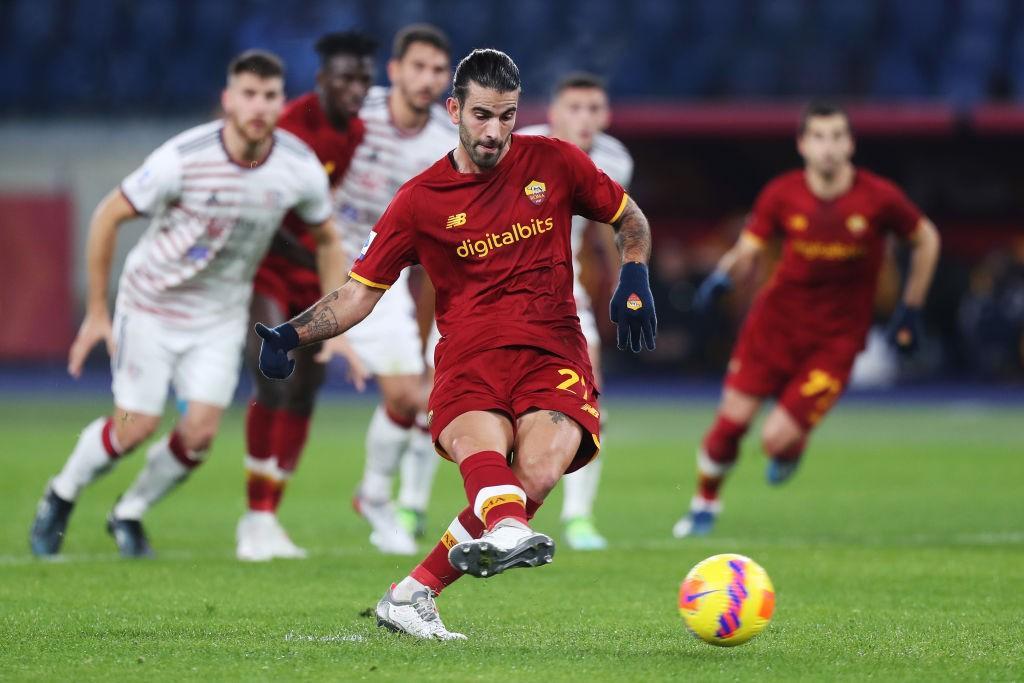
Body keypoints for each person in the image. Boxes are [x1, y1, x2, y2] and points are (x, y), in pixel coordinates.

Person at [253, 48, 656, 639]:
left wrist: (636, 274)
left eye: (507, 116)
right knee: (489, 464)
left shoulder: (557, 162)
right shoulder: (419, 201)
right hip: (469, 359)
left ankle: (411, 595)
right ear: (454, 110)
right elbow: (359, 293)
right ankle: (501, 532)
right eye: (482, 116)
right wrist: (291, 333)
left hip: (554, 351)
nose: (495, 132)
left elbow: (629, 219)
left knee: (539, 474)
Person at [29, 50, 342, 558]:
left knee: (198, 436)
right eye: (248, 94)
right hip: (151, 307)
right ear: (228, 100)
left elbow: (328, 238)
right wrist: (97, 312)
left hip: (218, 316)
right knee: (135, 426)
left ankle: (128, 512)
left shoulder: (297, 167)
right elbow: (108, 214)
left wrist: (332, 322)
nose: (259, 106)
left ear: (281, 102)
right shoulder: (184, 157)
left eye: (269, 96)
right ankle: (61, 493)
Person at [673, 102, 941, 538]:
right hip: (774, 325)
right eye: (819, 137)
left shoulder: (878, 198)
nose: (829, 147)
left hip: (836, 340)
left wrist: (911, 308)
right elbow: (750, 247)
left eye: (837, 137)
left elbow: (927, 237)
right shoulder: (782, 194)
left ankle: (790, 448)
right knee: (730, 424)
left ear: (851, 143)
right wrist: (722, 277)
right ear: (802, 144)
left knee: (774, 440)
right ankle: (704, 503)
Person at [238, 31, 376, 562]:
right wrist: (330, 262)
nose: (356, 87)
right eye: (345, 76)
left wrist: (328, 263)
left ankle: (270, 514)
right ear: (321, 80)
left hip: (309, 266)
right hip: (268, 266)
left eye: (364, 77)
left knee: (308, 385)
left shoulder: (355, 130)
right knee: (273, 375)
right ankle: (254, 519)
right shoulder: (291, 128)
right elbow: (265, 218)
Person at [323, 24, 456, 554]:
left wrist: (430, 335)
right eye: (418, 67)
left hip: (377, 274)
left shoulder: (444, 147)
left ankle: (375, 494)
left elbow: (432, 251)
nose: (427, 79)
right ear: (395, 70)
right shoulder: (356, 112)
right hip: (312, 259)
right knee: (285, 391)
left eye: (437, 70)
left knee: (409, 397)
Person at [518, 72, 633, 551]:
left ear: (605, 115)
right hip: (490, 292)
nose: (585, 119)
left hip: (562, 296)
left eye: (594, 109)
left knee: (589, 396)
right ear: (554, 112)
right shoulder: (517, 146)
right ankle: (410, 502)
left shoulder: (614, 160)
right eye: (575, 108)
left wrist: (627, 282)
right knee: (444, 401)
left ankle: (579, 517)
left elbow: (607, 230)